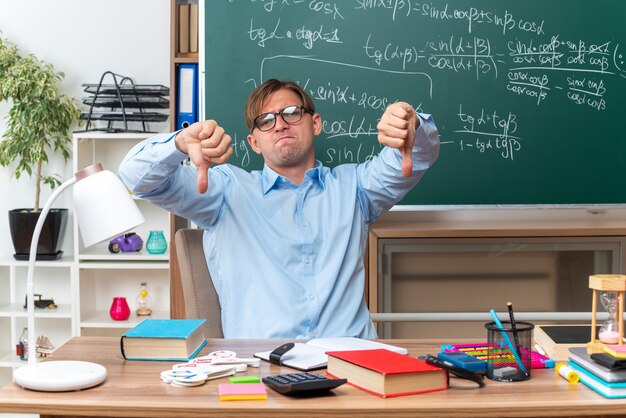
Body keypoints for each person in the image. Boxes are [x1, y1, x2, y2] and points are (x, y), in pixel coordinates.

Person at [119, 79, 439, 339]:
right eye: (266, 120)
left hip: (352, 366)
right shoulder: (226, 192)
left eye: (291, 112)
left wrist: (411, 126)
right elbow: (137, 179)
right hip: (263, 368)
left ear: (315, 123)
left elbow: (418, 156)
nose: (280, 124)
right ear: (254, 142)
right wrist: (178, 145)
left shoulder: (355, 188)